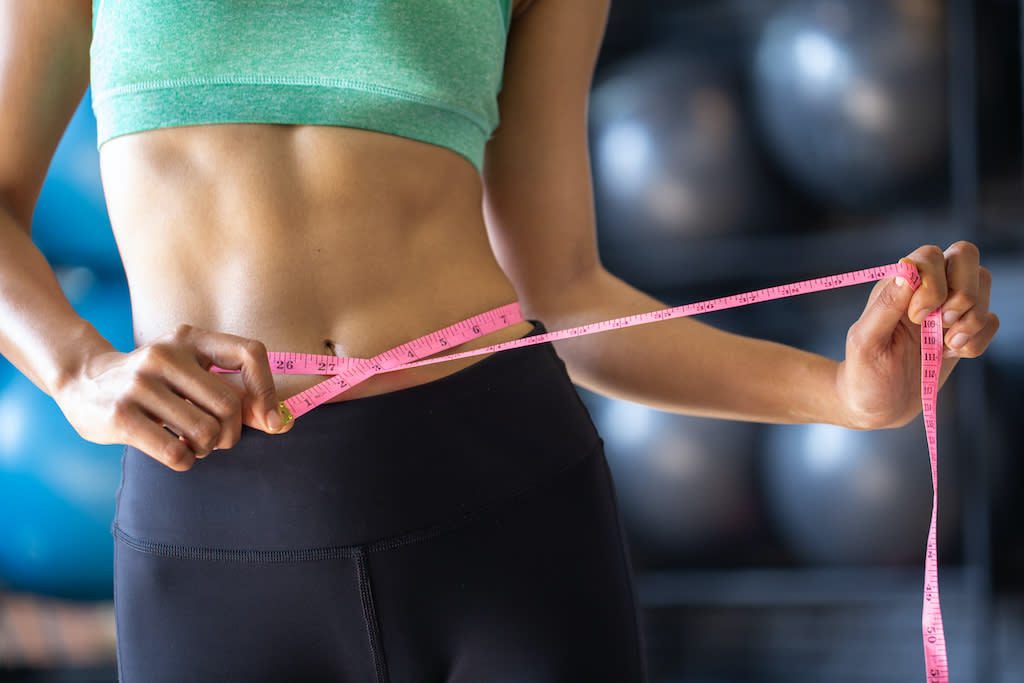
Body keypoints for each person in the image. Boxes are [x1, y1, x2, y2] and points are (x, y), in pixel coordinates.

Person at [0, 1, 999, 681]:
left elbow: (563, 292)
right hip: (212, 522)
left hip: (500, 495)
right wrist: (75, 367)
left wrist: (843, 395)